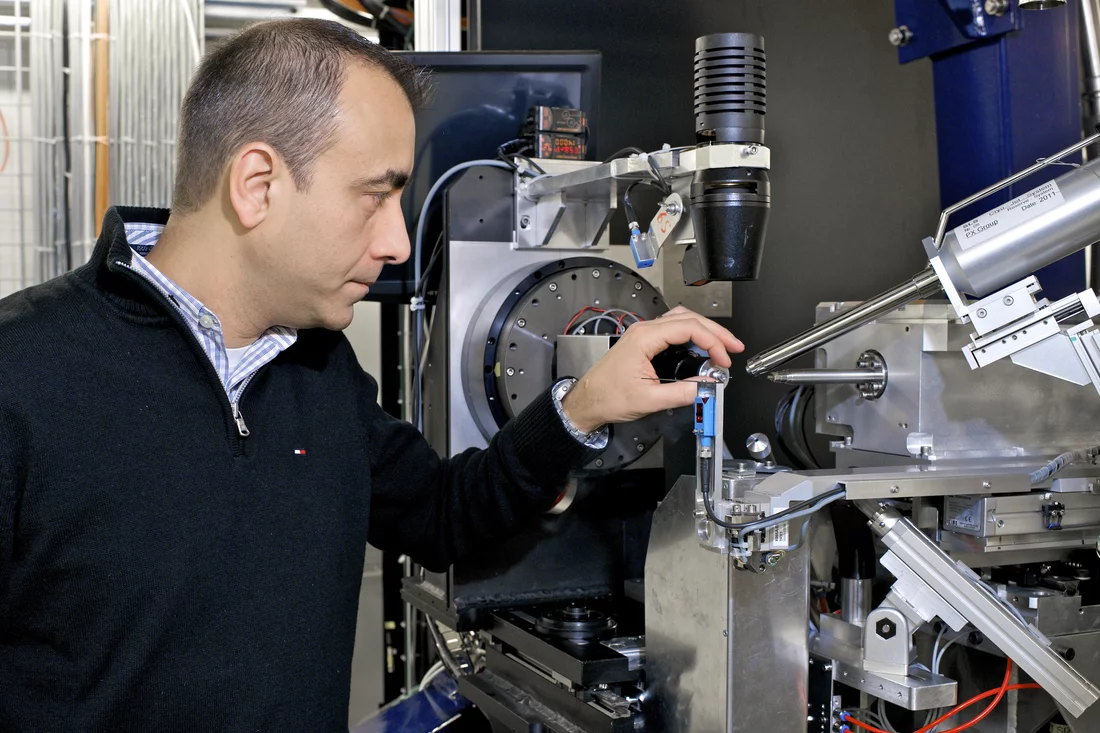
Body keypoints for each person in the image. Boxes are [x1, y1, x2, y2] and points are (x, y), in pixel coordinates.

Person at [0, 18, 743, 732]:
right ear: (258, 184)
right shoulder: (24, 374)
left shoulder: (316, 368)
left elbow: (443, 516)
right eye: (374, 194)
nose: (396, 241)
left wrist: (584, 405)